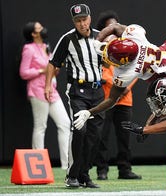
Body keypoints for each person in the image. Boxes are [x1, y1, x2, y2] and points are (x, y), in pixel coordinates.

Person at [45, 4, 103, 188]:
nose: (82, 23)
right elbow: (53, 63)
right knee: (80, 130)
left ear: (90, 18)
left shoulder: (100, 36)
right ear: (73, 22)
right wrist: (47, 86)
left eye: (84, 19)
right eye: (78, 21)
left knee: (94, 135)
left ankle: (84, 174)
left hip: (98, 91)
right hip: (78, 92)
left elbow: (110, 61)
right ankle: (72, 174)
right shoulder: (68, 39)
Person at [93, 10, 141, 180]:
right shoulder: (100, 47)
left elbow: (137, 67)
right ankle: (102, 170)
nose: (113, 29)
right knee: (103, 137)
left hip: (125, 100)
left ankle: (125, 169)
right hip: (106, 98)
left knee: (124, 137)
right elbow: (100, 72)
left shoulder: (128, 44)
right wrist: (118, 85)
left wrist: (126, 86)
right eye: (109, 26)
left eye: (115, 25)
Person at [19, 21, 70, 170]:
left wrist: (54, 70)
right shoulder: (28, 49)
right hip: (37, 90)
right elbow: (23, 72)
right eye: (39, 28)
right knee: (41, 126)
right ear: (33, 34)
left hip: (52, 91)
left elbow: (52, 67)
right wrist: (42, 71)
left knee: (65, 124)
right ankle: (38, 166)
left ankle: (66, 164)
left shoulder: (46, 47)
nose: (43, 30)